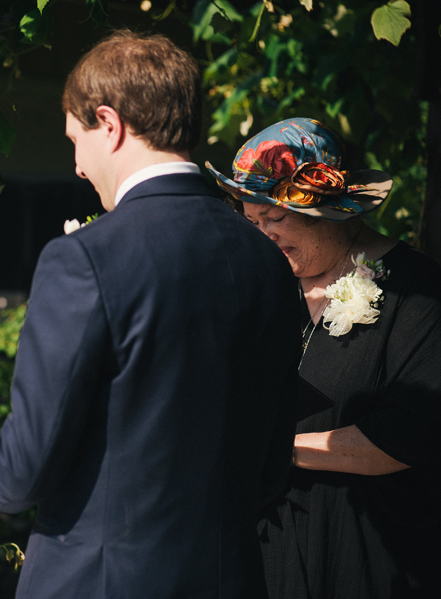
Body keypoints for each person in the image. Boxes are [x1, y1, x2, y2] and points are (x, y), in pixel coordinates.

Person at [0, 31, 301, 599]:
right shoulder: (267, 260)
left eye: (74, 140)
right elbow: (272, 461)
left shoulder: (83, 258)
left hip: (102, 580)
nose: (78, 167)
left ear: (109, 124)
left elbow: (34, 453)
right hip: (229, 575)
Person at [206, 117, 441, 598]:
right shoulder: (265, 289)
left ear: (329, 211)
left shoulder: (417, 293)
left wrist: (272, 450)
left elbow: (409, 435)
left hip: (370, 561)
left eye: (275, 218)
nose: (263, 235)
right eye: (252, 222)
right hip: (268, 559)